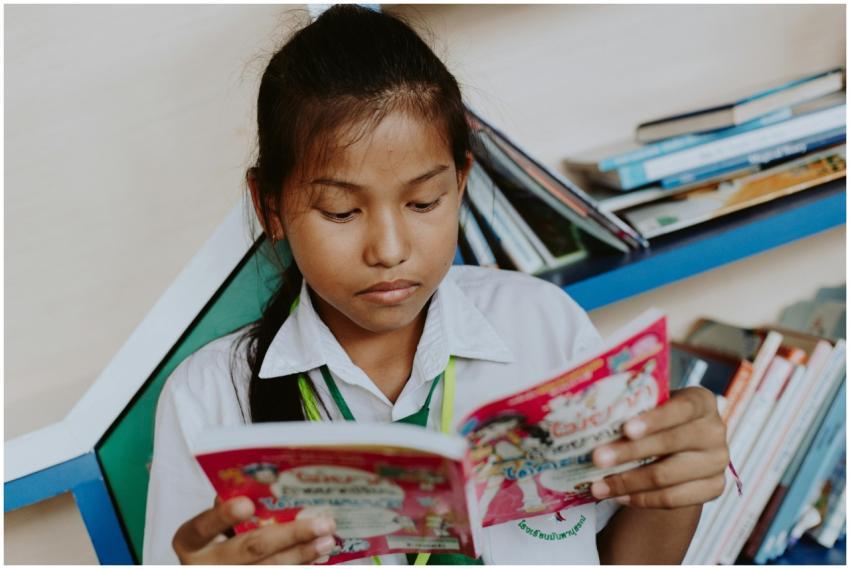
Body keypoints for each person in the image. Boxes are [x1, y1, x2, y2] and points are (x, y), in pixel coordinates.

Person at [142, 5, 729, 565]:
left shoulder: (543, 327)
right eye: (341, 212)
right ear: (269, 206)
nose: (390, 250)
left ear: (462, 181)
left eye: (424, 201)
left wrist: (681, 483)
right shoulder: (209, 400)